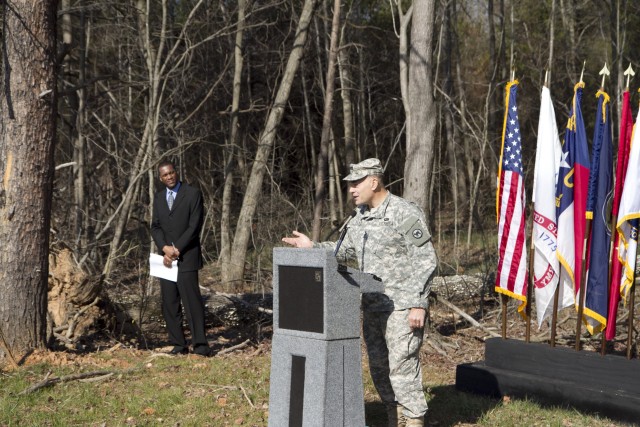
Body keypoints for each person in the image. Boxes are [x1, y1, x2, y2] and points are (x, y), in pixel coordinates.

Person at [282, 158, 437, 427]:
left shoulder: (404, 212)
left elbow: (426, 260)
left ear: (374, 182)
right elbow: (344, 253)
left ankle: (413, 420)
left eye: (356, 183)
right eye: (350, 184)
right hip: (373, 305)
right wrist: (313, 247)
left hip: (402, 306)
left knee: (402, 367)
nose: (351, 189)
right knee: (379, 367)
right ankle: (394, 416)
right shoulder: (358, 219)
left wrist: (418, 304)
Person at [151, 160, 211, 357]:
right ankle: (178, 344)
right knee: (170, 302)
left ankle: (200, 345)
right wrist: (164, 248)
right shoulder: (159, 198)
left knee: (191, 302)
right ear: (160, 178)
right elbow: (156, 226)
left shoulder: (192, 194)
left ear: (176, 172)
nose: (169, 177)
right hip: (165, 259)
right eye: (165, 175)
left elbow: (194, 226)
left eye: (171, 173)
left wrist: (176, 250)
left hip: (187, 256)